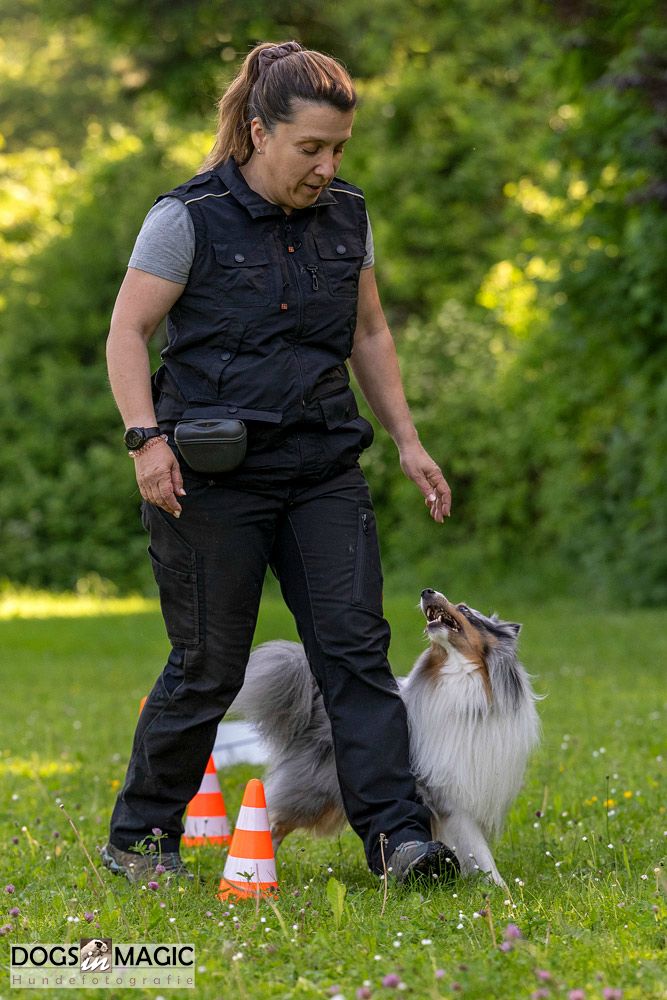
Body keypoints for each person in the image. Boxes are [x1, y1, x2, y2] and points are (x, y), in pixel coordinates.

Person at [102, 40, 458, 885]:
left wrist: (407, 440)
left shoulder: (348, 214)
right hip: (209, 476)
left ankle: (399, 842)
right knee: (207, 665)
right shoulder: (187, 217)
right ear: (260, 132)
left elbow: (368, 332)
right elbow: (127, 332)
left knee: (353, 652)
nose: (326, 167)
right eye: (310, 148)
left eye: (338, 149)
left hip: (321, 466)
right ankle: (140, 839)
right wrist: (145, 439)